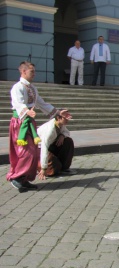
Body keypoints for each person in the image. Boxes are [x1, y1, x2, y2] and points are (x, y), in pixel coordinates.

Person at [7, 61, 71, 192]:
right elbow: (18, 103)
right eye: (32, 72)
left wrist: (58, 112)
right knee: (26, 151)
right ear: (23, 72)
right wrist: (26, 111)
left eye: (34, 71)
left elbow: (42, 104)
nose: (34, 74)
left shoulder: (33, 89)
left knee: (33, 151)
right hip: (20, 123)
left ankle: (24, 179)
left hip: (29, 122)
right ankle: (16, 177)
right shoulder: (17, 87)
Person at [37, 111, 74, 179]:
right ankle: (41, 167)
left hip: (51, 146)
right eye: (65, 119)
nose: (67, 121)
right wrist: (43, 168)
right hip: (39, 149)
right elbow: (44, 148)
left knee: (68, 141)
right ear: (58, 118)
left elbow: (66, 132)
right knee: (54, 168)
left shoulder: (60, 125)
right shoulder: (49, 130)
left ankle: (64, 167)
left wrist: (62, 135)